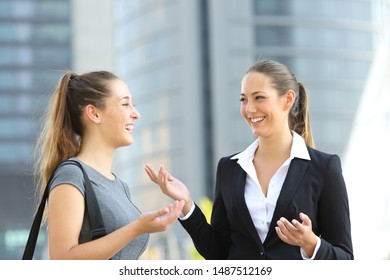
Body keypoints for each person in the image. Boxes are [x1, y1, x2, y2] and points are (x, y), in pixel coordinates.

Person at [145, 59, 353, 260]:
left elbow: (344, 258)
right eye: (244, 99)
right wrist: (187, 205)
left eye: (259, 97)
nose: (249, 109)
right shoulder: (229, 168)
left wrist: (311, 244)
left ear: (288, 99)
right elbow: (218, 253)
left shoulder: (324, 167)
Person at [33, 70, 184, 260]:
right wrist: (136, 228)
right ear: (94, 113)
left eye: (133, 105)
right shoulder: (71, 175)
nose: (136, 114)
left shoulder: (120, 186)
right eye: (125, 104)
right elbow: (63, 259)